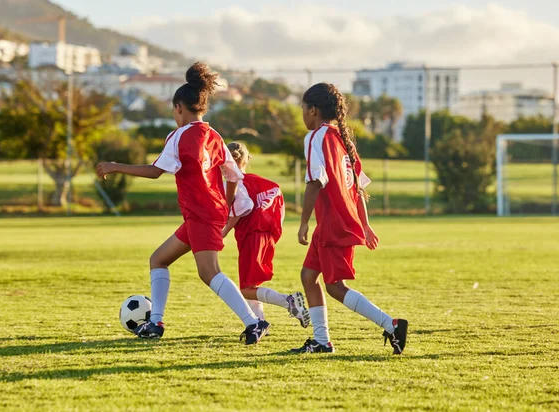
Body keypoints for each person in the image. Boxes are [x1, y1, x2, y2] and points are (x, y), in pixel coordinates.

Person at [96, 62, 270, 345]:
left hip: (201, 214)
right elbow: (234, 175)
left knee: (209, 273)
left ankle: (254, 322)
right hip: (204, 213)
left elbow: (155, 171)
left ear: (179, 107)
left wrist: (115, 165)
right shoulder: (215, 136)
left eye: (174, 111)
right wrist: (224, 205)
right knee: (159, 259)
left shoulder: (178, 136)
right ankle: (155, 323)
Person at [291, 83, 408, 354]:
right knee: (309, 276)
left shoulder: (316, 137)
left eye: (303, 109)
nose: (303, 115)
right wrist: (365, 224)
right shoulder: (344, 141)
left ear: (313, 110)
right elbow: (359, 188)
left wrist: (304, 221)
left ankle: (392, 325)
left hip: (333, 223)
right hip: (337, 222)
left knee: (335, 287)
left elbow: (314, 182)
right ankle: (321, 341)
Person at [223, 142, 310, 328]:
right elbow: (279, 206)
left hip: (251, 236)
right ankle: (259, 323)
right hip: (266, 236)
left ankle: (288, 301)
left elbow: (243, 206)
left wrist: (223, 232)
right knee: (251, 284)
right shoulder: (266, 184)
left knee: (246, 290)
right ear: (247, 160)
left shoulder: (235, 182)